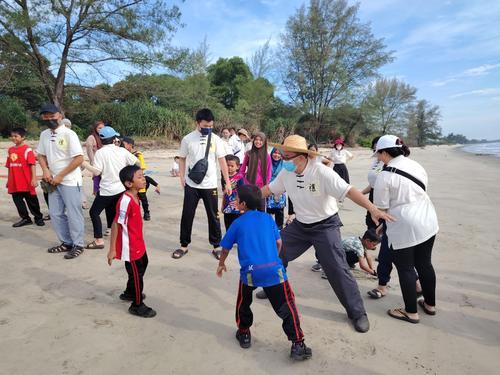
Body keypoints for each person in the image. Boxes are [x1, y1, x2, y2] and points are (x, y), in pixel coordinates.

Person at [260, 135, 394, 333]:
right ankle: (273, 285)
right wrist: (246, 198)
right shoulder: (285, 174)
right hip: (300, 225)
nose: (283, 160)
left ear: (302, 156)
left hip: (325, 226)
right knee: (275, 252)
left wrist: (373, 208)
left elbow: (349, 191)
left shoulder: (321, 172)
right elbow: (268, 190)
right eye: (282, 155)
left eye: (287, 157)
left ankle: (357, 312)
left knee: (337, 269)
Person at [216, 185, 312, 360]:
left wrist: (221, 263)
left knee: (244, 303)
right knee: (286, 306)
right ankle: (298, 343)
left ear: (243, 204)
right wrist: (271, 258)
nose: (236, 202)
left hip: (251, 273)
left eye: (237, 200)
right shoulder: (268, 218)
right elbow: (278, 243)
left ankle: (244, 333)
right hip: (274, 270)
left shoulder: (237, 223)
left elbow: (225, 248)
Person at [373, 135, 439, 324]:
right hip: (428, 219)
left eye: (378, 153)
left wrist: (380, 225)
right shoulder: (416, 165)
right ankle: (430, 305)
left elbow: (381, 210)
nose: (378, 157)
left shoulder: (384, 176)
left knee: (405, 268)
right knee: (425, 264)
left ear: (385, 152)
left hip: (403, 224)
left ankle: (411, 312)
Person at [172, 108, 231, 260]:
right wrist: (182, 177)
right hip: (192, 184)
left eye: (211, 126)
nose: (208, 129)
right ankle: (183, 245)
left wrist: (227, 182)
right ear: (197, 123)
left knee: (214, 216)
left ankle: (216, 245)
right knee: (187, 215)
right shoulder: (187, 139)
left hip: (210, 185)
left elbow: (222, 161)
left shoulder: (216, 140)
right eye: (205, 126)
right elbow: (182, 158)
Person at [37, 104, 85, 259]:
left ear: (60, 115)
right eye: (46, 116)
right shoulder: (44, 134)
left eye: (52, 115)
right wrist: (46, 171)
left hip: (70, 181)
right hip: (52, 180)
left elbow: (79, 158)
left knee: (73, 213)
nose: (49, 118)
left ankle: (78, 244)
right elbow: (41, 155)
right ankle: (66, 242)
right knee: (55, 213)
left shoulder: (69, 134)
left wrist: (60, 176)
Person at [107, 165, 156, 318]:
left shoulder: (137, 196)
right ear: (129, 184)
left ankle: (130, 292)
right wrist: (112, 249)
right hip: (130, 246)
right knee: (136, 275)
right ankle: (137, 304)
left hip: (138, 241)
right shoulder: (125, 201)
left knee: (144, 264)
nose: (144, 179)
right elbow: (116, 223)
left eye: (143, 175)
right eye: (140, 177)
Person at [83, 127, 138, 250]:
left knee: (94, 212)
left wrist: (84, 163)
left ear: (101, 140)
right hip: (121, 189)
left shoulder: (100, 153)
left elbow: (97, 172)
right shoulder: (121, 151)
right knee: (114, 210)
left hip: (107, 190)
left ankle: (99, 240)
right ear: (114, 139)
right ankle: (114, 232)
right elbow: (136, 162)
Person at [5, 128, 44, 227]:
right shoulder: (10, 150)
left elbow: (32, 164)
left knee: (32, 201)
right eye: (12, 136)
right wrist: (9, 180)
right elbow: (9, 166)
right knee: (18, 201)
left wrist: (34, 178)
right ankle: (25, 218)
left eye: (16, 136)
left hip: (26, 180)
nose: (13, 138)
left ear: (23, 137)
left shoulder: (27, 150)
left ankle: (38, 217)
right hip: (14, 181)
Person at [121, 137, 160, 221]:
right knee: (133, 198)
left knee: (143, 199)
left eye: (123, 144)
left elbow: (141, 168)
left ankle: (146, 212)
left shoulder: (138, 154)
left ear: (130, 145)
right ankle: (134, 213)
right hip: (129, 180)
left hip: (137, 180)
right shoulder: (122, 154)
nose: (122, 145)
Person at [238, 132, 272, 211]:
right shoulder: (249, 154)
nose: (258, 142)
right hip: (249, 186)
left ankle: (260, 223)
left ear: (264, 142)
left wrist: (266, 185)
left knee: (261, 209)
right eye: (256, 139)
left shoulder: (267, 156)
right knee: (249, 210)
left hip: (261, 188)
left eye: (261, 140)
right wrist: (243, 181)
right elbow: (242, 169)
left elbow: (269, 172)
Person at [221, 155, 244, 230]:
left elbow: (242, 192)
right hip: (227, 206)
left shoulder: (240, 177)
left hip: (237, 208)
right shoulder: (224, 177)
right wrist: (222, 205)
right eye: (227, 165)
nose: (229, 168)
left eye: (232, 166)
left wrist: (242, 206)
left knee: (237, 227)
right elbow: (224, 193)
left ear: (237, 167)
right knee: (228, 227)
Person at [266, 148, 287, 229]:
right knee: (268, 212)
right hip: (268, 190)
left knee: (279, 213)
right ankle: (268, 230)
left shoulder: (285, 165)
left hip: (280, 191)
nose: (277, 155)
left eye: (279, 154)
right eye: (275, 153)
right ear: (271, 153)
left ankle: (279, 230)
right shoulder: (267, 163)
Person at [85, 120, 105, 196]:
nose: (101, 130)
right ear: (95, 128)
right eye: (99, 128)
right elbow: (89, 151)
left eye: (103, 128)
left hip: (105, 162)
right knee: (97, 181)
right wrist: (92, 162)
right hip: (96, 163)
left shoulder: (105, 136)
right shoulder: (91, 138)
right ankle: (97, 196)